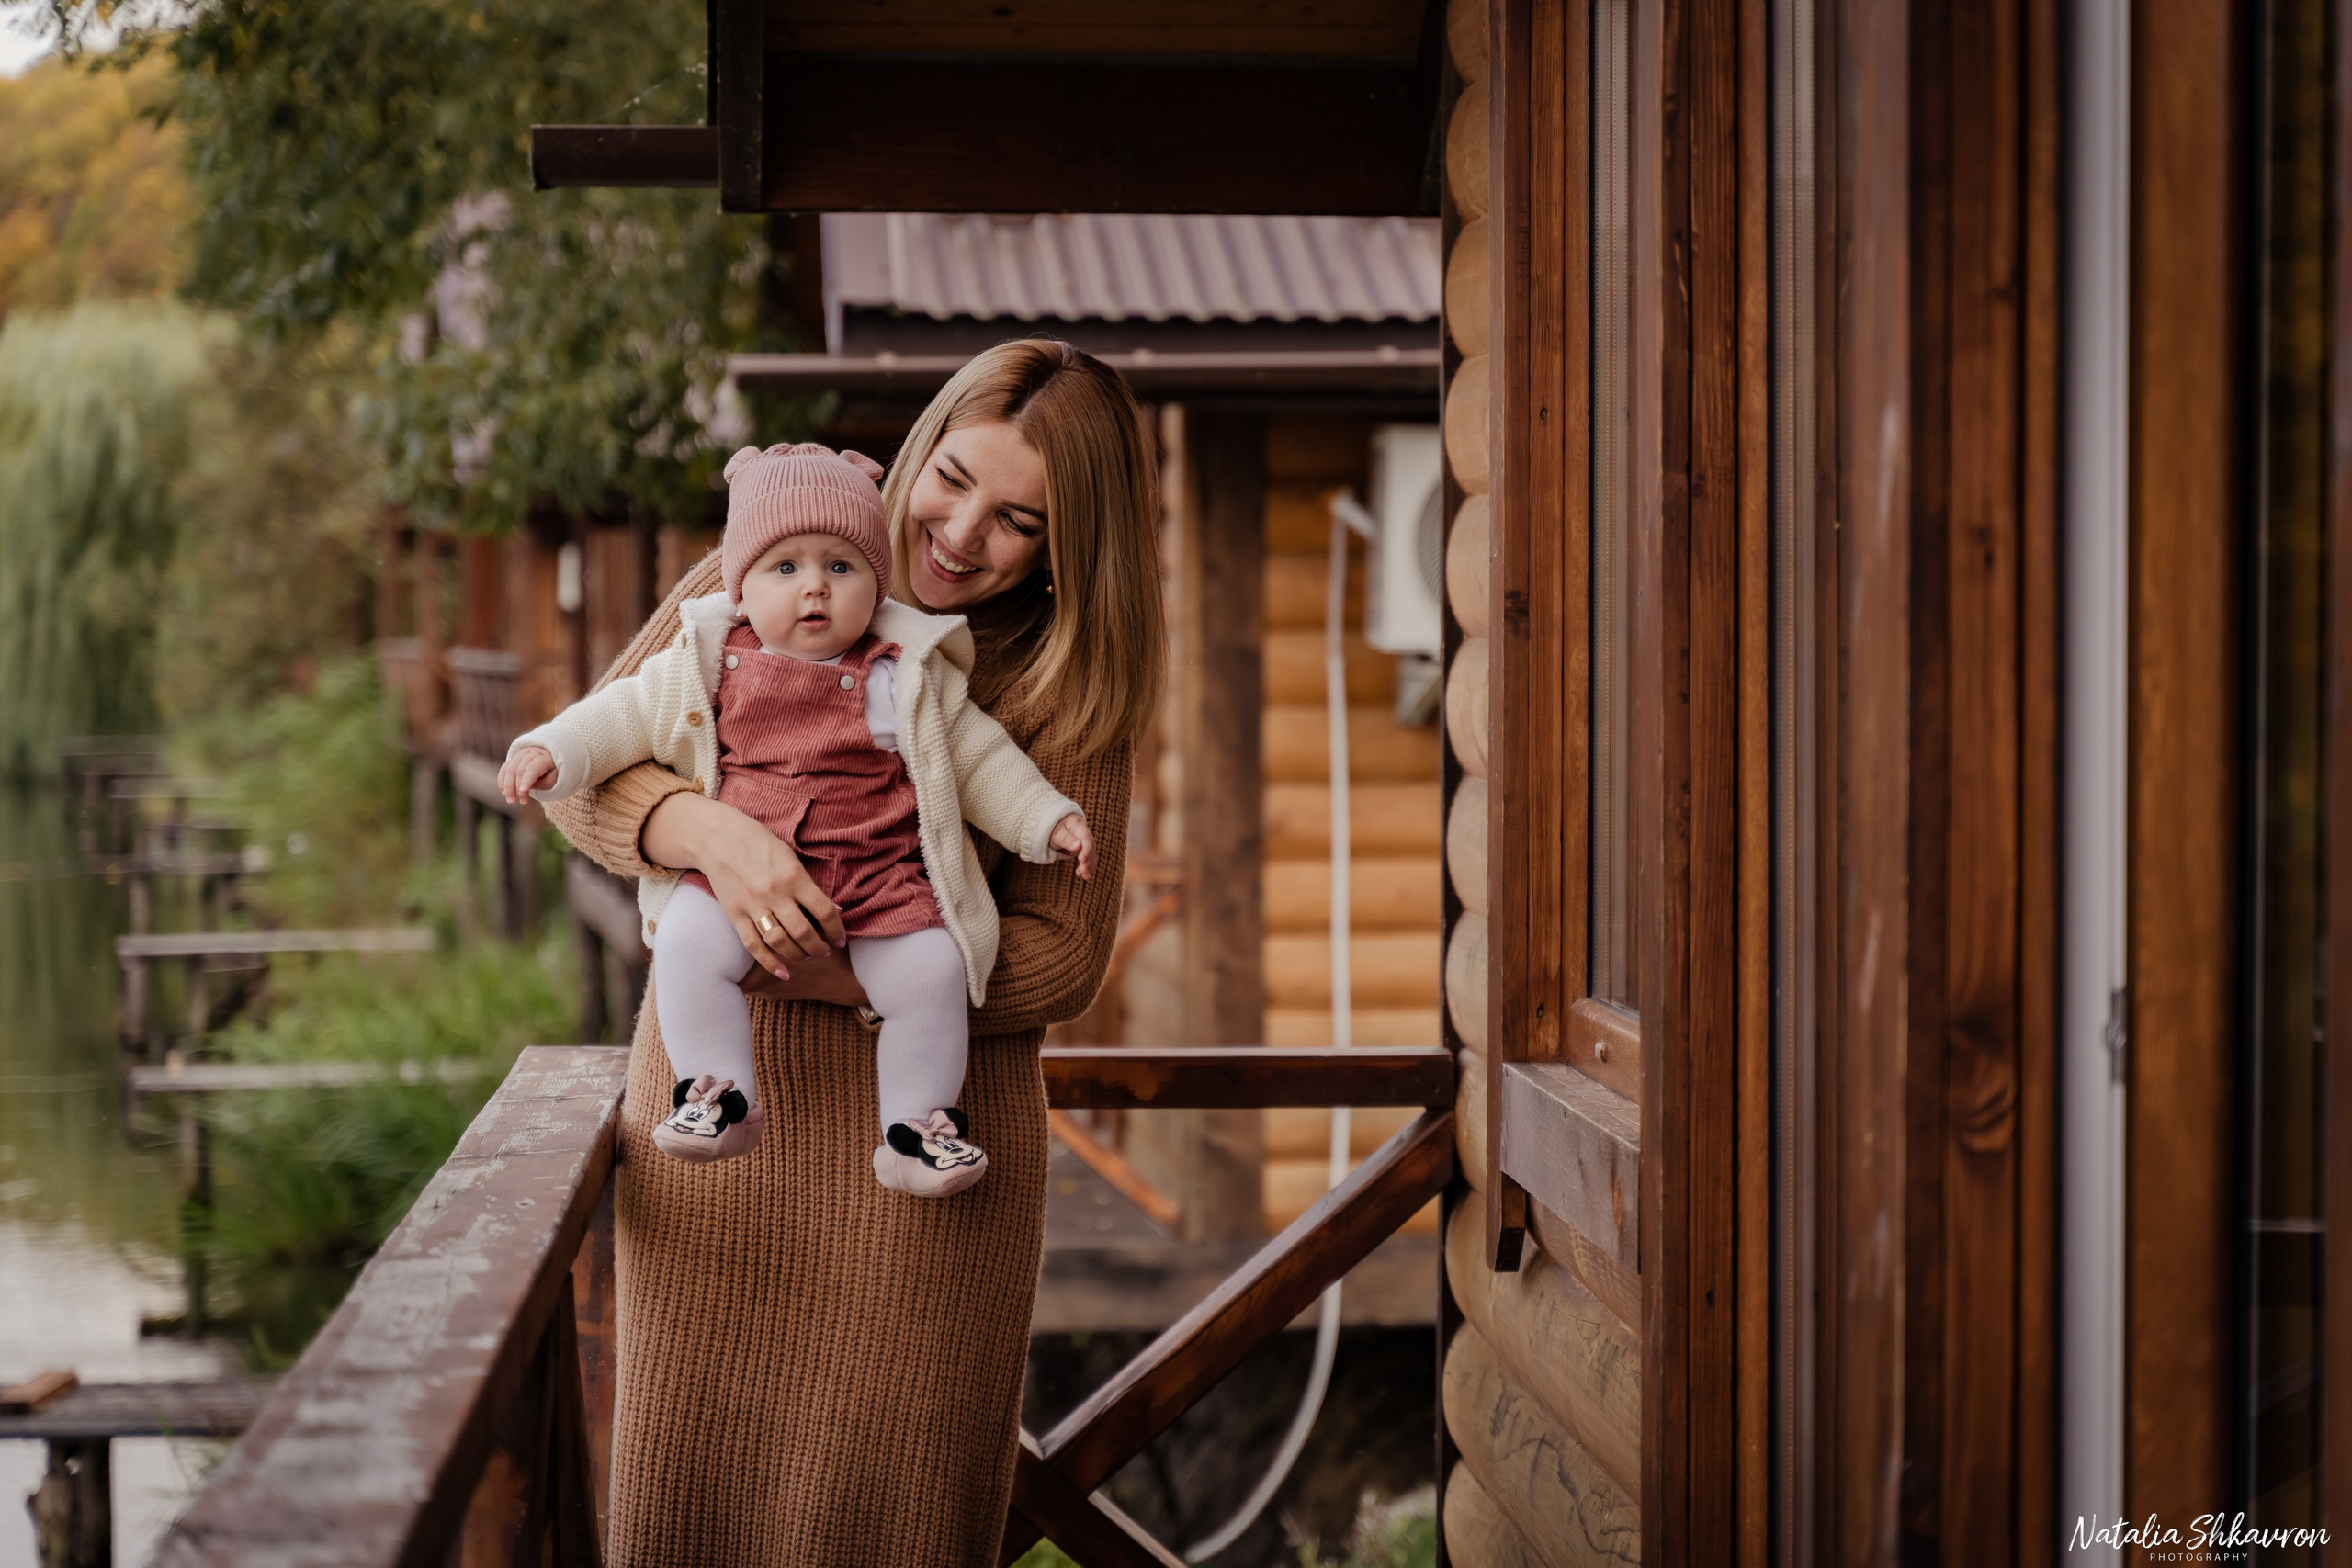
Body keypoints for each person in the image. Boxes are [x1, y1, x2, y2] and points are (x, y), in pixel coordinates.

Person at [540, 339, 1164, 1565]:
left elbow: (1068, 956)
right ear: (919, 446)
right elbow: (581, 768)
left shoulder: (1064, 677)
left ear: (1067, 548)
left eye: (1018, 521)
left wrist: (844, 963)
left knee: (901, 1524)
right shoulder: (770, 567)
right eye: (952, 478)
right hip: (720, 1145)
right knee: (690, 1500)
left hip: (933, 1175)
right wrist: (709, 831)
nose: (962, 531)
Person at [500, 442, 1094, 1195]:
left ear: (875, 589)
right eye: (786, 568)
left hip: (878, 884)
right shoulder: (705, 656)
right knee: (684, 940)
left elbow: (984, 763)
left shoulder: (904, 671)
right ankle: (717, 1093)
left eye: (841, 568)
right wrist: (552, 748)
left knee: (933, 972)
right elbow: (620, 717)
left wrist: (1048, 818)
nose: (814, 588)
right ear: (740, 586)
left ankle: (917, 1126)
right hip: (733, 883)